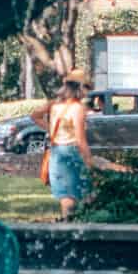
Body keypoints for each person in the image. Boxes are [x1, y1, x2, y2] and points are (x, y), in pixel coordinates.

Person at [41, 73, 93, 217]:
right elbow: (81, 139)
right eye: (87, 88)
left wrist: (51, 130)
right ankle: (78, 229)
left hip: (56, 152)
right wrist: (89, 162)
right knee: (80, 196)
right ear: (80, 88)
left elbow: (34, 115)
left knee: (65, 196)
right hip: (71, 152)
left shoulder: (55, 105)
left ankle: (66, 229)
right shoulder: (77, 108)